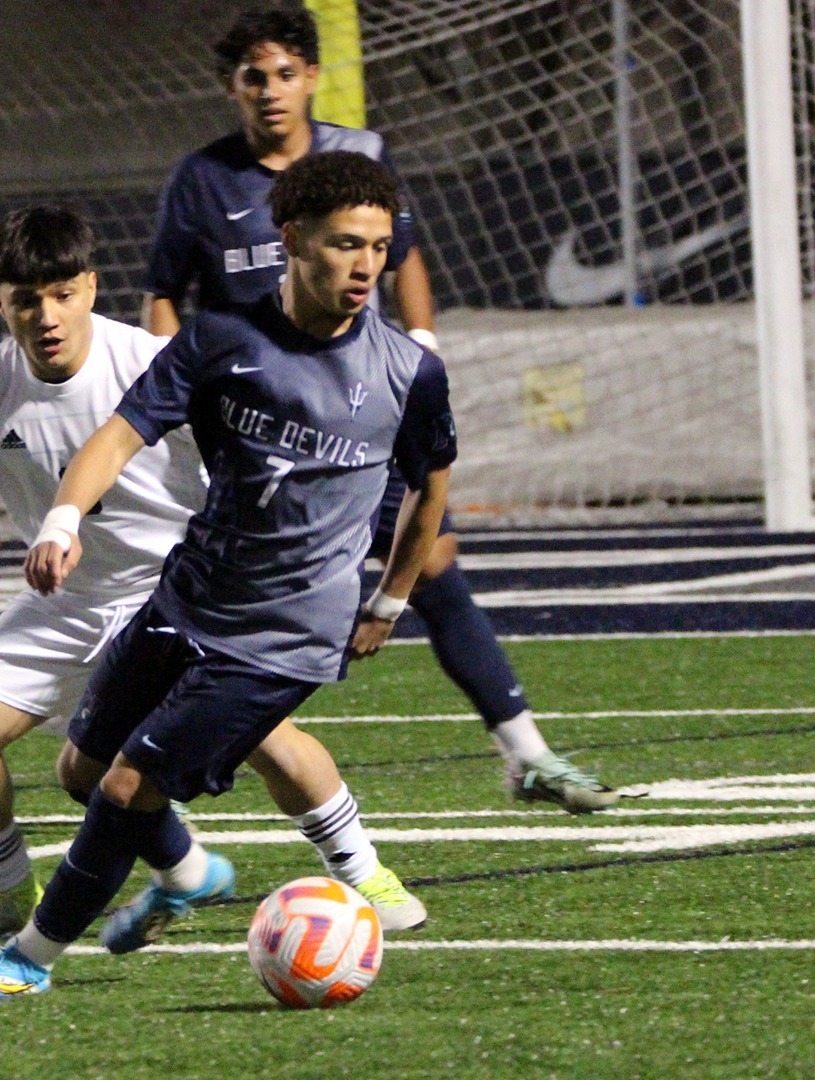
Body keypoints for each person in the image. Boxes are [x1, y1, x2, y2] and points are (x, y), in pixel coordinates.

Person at [0, 205, 425, 947]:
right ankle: (16, 896)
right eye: (26, 299)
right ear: (0, 302)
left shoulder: (154, 360)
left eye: (63, 292)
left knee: (266, 738)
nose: (47, 315)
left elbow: (259, 458)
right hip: (69, 599)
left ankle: (365, 873)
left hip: (178, 589)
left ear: (92, 287)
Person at [0, 153, 452, 1000]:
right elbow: (117, 433)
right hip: (187, 598)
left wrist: (392, 598)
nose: (366, 265)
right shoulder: (221, 339)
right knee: (81, 769)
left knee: (128, 782)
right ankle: (186, 877)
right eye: (342, 244)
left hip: (283, 636)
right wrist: (65, 518)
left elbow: (431, 491)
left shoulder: (408, 370)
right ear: (290, 241)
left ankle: (29, 958)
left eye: (378, 244)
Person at [144, 8, 620, 812]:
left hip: (356, 406)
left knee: (430, 558)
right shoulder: (202, 180)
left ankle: (526, 753)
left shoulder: (359, 157)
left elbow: (405, 258)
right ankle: (158, 778)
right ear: (232, 87)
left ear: (313, 77)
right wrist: (181, 388)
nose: (271, 91)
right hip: (252, 435)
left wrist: (423, 341)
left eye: (287, 73)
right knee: (233, 600)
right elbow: (163, 292)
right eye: (253, 76)